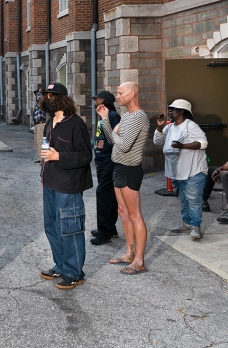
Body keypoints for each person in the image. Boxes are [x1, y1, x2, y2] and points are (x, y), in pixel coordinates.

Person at [37, 83, 93, 290]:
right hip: (50, 182)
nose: (46, 98)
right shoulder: (50, 121)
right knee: (52, 227)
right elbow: (45, 154)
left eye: (51, 95)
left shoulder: (75, 124)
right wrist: (43, 178)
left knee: (70, 228)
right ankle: (61, 265)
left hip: (68, 186)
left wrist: (58, 156)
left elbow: (86, 155)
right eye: (45, 95)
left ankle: (74, 272)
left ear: (61, 99)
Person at [96, 81, 150, 275]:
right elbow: (112, 139)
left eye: (120, 93)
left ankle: (139, 261)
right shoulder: (126, 116)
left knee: (135, 215)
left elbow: (124, 145)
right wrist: (105, 120)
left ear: (132, 95)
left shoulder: (138, 117)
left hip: (129, 169)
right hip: (119, 167)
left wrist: (114, 132)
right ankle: (129, 253)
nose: (117, 97)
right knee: (123, 212)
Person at [153, 99, 209, 240]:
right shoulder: (169, 127)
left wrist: (182, 146)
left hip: (193, 169)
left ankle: (196, 226)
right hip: (176, 170)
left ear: (183, 111)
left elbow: (203, 143)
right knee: (183, 198)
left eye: (174, 109)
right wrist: (159, 127)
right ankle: (187, 223)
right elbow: (157, 141)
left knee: (193, 199)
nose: (170, 111)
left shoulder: (191, 126)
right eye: (170, 109)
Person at [90, 90, 121, 246]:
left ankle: (104, 232)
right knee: (108, 195)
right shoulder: (103, 116)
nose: (95, 101)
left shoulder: (113, 116)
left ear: (104, 101)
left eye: (97, 99)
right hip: (102, 160)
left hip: (109, 160)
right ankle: (110, 228)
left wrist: (106, 160)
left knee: (103, 195)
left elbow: (115, 140)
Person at [32, 89, 46, 164]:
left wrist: (39, 92)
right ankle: (40, 158)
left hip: (41, 123)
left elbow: (40, 98)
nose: (35, 96)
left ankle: (43, 160)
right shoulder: (38, 102)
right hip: (37, 124)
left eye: (36, 94)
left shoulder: (41, 99)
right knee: (37, 142)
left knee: (40, 141)